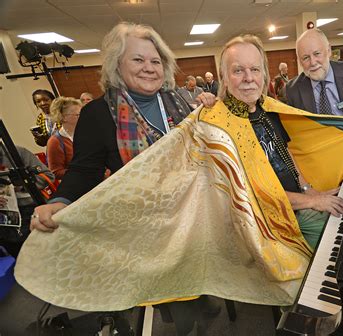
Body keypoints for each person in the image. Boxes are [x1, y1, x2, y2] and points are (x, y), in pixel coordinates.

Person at [29, 21, 216, 336]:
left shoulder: (178, 101)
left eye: (155, 61)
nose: (149, 68)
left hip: (191, 213)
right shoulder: (98, 114)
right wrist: (59, 200)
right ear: (117, 64)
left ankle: (197, 304)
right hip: (143, 224)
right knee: (182, 301)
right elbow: (84, 169)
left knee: (195, 283)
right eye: (138, 60)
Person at [0, 146, 55, 258]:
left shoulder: (17, 153)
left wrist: (25, 182)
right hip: (5, 222)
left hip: (31, 208)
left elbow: (49, 177)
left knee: (48, 254)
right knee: (23, 260)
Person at [46, 97, 82, 180]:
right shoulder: (55, 142)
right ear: (63, 117)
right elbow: (56, 172)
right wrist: (82, 172)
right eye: (78, 114)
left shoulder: (87, 132)